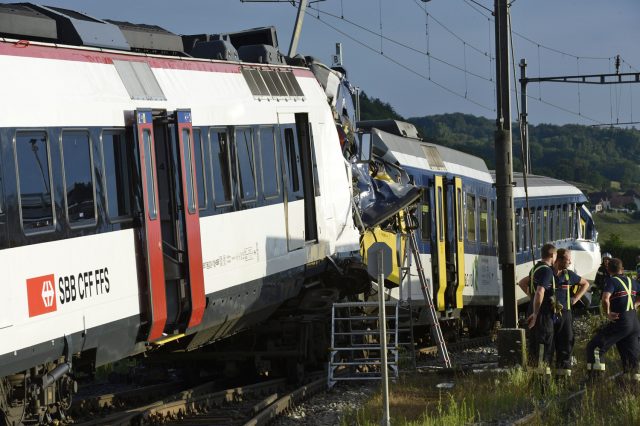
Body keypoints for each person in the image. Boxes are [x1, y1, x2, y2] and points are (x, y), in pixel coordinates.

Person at [586, 258, 640, 380]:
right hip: (634, 322)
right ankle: (633, 386)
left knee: (595, 347)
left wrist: (608, 313)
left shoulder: (611, 281)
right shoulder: (632, 281)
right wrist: (635, 305)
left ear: (608, 269)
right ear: (622, 268)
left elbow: (605, 298)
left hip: (621, 320)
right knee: (630, 355)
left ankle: (595, 379)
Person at [552, 248, 590, 376]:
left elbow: (585, 284)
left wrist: (576, 298)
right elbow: (524, 282)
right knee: (549, 345)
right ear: (559, 259)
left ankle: (563, 379)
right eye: (568, 259)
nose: (570, 262)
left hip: (566, 315)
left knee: (566, 344)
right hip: (549, 315)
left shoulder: (568, 274)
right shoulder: (547, 272)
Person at [522, 243, 557, 368]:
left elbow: (522, 283)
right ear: (552, 255)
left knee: (534, 347)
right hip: (542, 316)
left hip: (533, 310)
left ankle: (534, 379)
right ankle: (542, 383)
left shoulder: (535, 269)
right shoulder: (547, 271)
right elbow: (540, 291)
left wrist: (532, 300)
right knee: (544, 348)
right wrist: (536, 312)